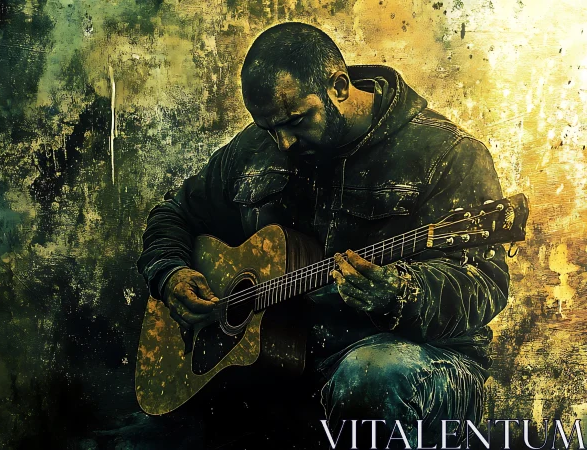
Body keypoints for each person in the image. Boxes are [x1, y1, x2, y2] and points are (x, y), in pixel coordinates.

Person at [137, 22, 509, 449]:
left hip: (418, 359)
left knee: (371, 374)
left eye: (297, 121)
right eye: (268, 128)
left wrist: (400, 292)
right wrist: (170, 274)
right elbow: (175, 213)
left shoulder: (446, 153)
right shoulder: (259, 147)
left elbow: (485, 282)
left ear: (338, 86)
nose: (284, 143)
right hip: (281, 358)